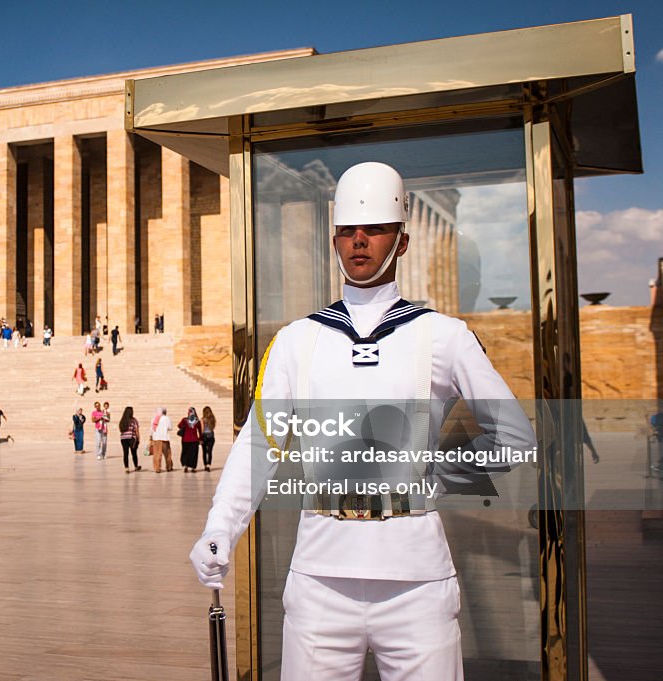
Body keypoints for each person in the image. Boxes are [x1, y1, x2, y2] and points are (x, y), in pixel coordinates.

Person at [188, 161, 536, 680]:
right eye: (347, 230)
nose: (359, 242)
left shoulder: (444, 336)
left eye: (374, 229)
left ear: (401, 241)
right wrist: (220, 528)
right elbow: (258, 447)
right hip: (320, 579)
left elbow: (515, 438)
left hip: (415, 580)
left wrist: (438, 475)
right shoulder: (297, 340)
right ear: (334, 240)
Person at [179, 406, 203, 473]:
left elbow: (179, 425)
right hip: (194, 440)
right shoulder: (197, 421)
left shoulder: (184, 420)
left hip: (185, 440)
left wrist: (185, 427)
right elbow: (200, 431)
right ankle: (193, 468)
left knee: (186, 453)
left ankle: (186, 466)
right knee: (194, 454)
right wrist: (201, 439)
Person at [119, 406, 142, 473]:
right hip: (131, 438)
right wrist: (138, 438)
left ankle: (127, 468)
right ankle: (136, 466)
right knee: (134, 453)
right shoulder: (134, 420)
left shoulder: (123, 420)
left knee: (125, 453)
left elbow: (120, 429)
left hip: (123, 438)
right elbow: (136, 430)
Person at [151, 407, 174, 473]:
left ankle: (157, 468)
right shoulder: (167, 418)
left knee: (157, 454)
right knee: (167, 454)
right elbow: (170, 428)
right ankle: (169, 467)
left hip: (156, 438)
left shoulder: (154, 418)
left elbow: (152, 429)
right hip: (165, 438)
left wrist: (151, 437)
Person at [201, 406, 217, 472]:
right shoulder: (212, 419)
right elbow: (213, 427)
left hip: (204, 436)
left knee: (204, 451)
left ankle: (205, 465)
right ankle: (208, 465)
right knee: (210, 451)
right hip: (211, 436)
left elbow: (202, 429)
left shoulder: (202, 419)